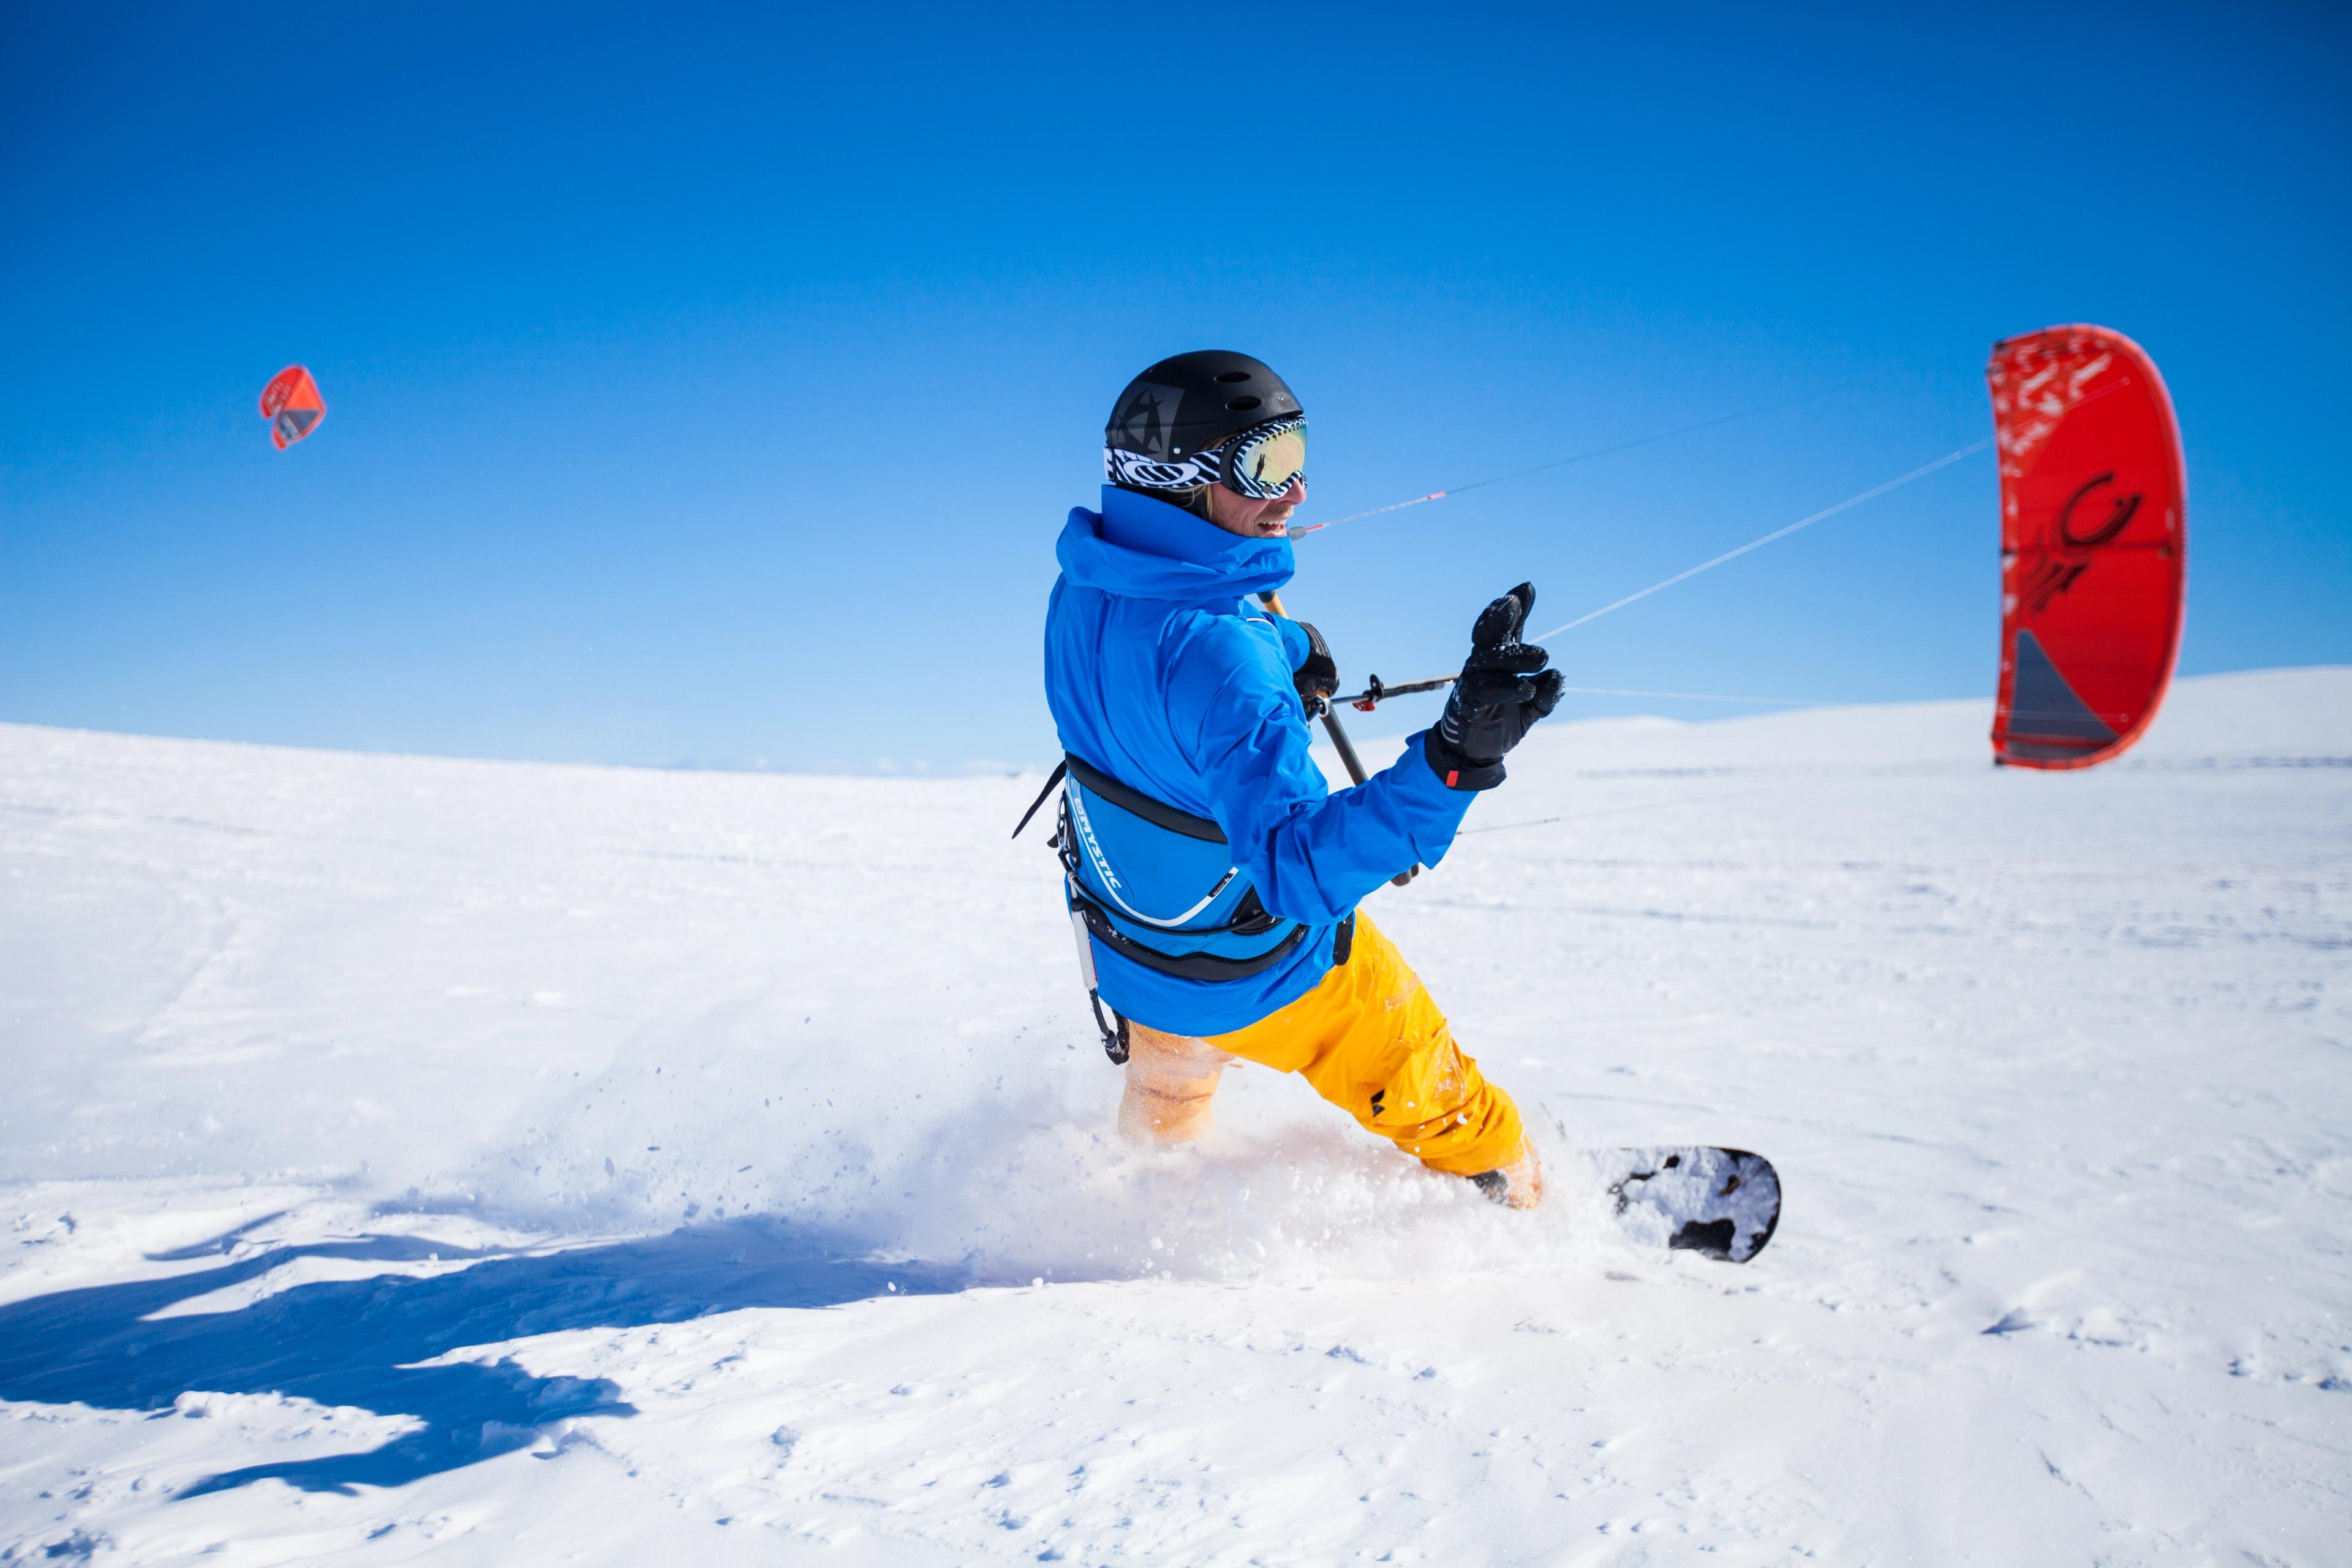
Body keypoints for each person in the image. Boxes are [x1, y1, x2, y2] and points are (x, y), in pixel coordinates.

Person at [1035, 350, 1566, 1207]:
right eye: (1266, 466)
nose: (1298, 490)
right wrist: (1454, 761)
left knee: (1170, 1103)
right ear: (1181, 480)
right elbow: (1296, 872)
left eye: (1299, 456)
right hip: (1266, 973)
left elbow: (1161, 658)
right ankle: (1527, 1198)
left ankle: (1143, 1206)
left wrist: (1289, 646)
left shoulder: (1081, 590)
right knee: (1419, 1072)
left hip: (1137, 961)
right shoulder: (1225, 659)